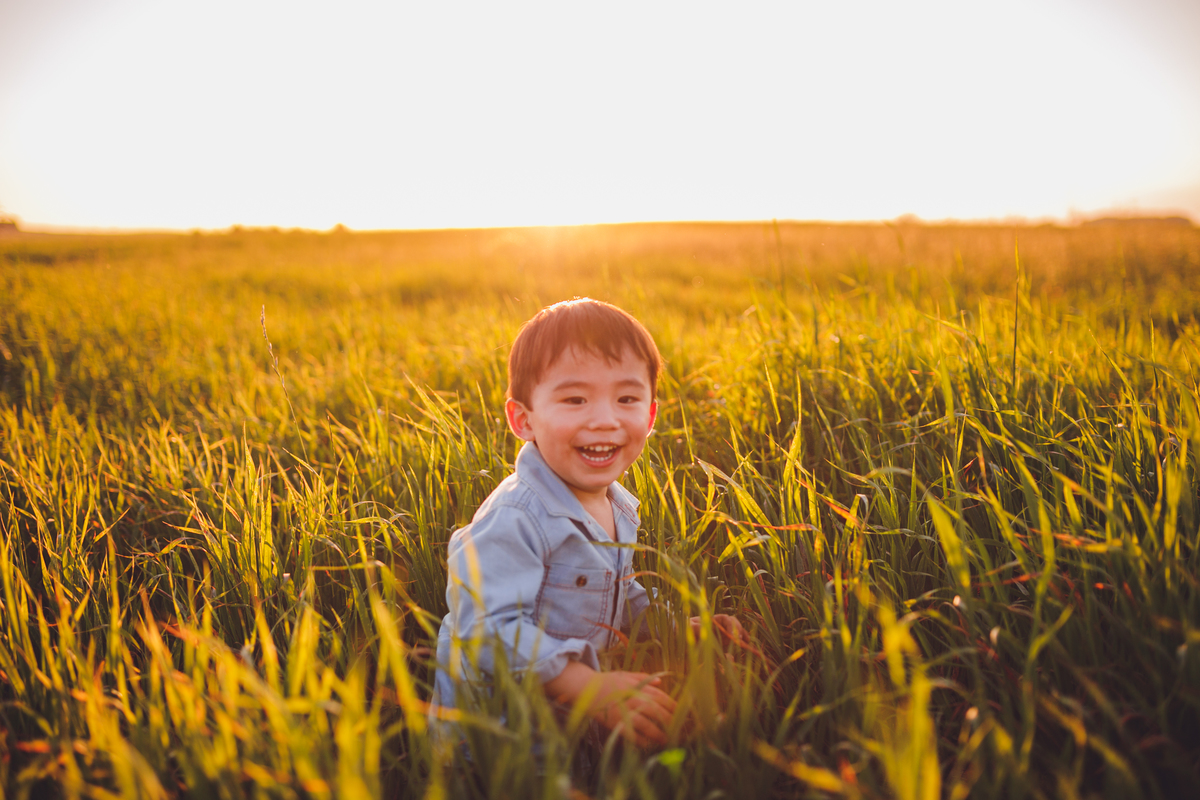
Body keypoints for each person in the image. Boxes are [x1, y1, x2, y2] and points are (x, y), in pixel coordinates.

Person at [430, 297, 743, 751]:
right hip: (498, 743)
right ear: (523, 419)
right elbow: (484, 630)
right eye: (575, 399)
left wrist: (674, 626)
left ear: (651, 415)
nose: (604, 419)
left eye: (627, 398)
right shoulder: (514, 518)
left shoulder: (616, 505)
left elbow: (615, 591)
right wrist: (587, 686)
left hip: (568, 732)